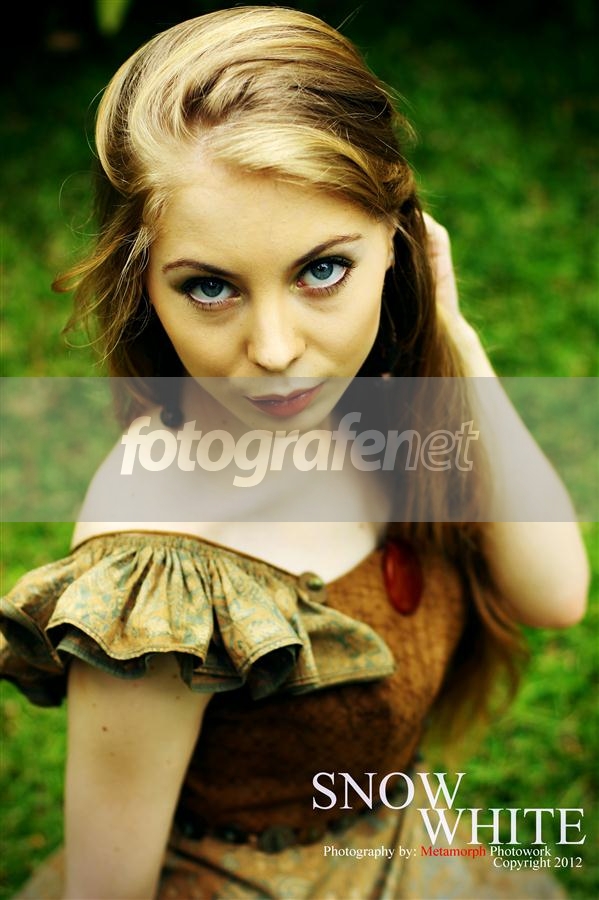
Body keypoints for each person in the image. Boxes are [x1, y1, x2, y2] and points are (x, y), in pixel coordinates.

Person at [0, 6, 589, 899]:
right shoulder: (156, 568)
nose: (275, 352)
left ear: (397, 241)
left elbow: (554, 594)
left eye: (321, 270)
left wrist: (454, 338)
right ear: (143, 282)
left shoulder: (381, 406)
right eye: (209, 286)